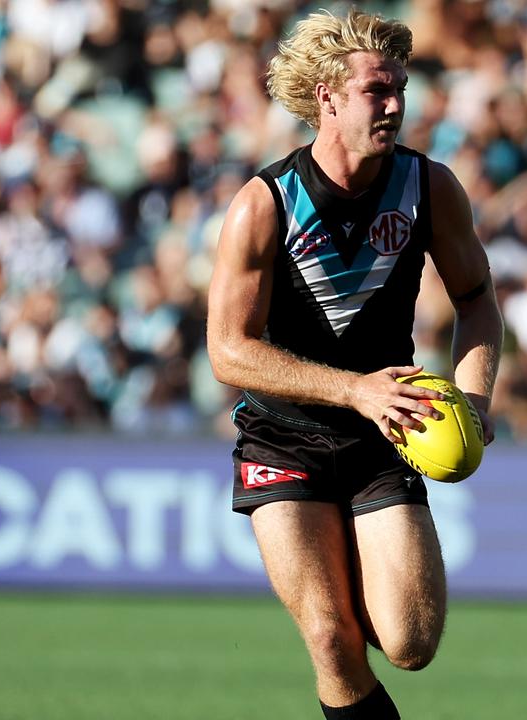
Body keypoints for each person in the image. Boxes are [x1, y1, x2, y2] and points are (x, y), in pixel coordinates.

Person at [206, 9, 503, 718]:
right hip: (282, 438)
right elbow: (228, 349)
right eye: (378, 90)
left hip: (385, 434)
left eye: (400, 88)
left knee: (409, 642)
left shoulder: (429, 188)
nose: (396, 104)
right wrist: (354, 390)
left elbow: (478, 299)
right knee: (331, 635)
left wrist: (476, 399)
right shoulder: (266, 203)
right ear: (328, 99)